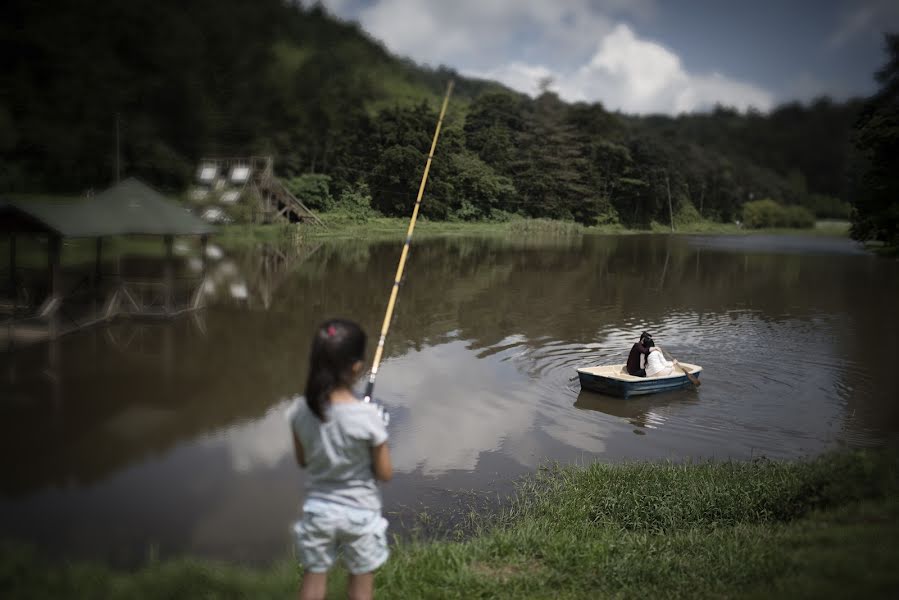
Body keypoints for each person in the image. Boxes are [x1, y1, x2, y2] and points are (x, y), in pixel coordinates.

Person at [287, 318, 393, 600]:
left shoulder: (300, 411)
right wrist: (377, 431)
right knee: (360, 585)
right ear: (357, 367)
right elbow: (384, 473)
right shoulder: (370, 418)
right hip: (361, 514)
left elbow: (303, 461)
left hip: (318, 511)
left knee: (313, 579)